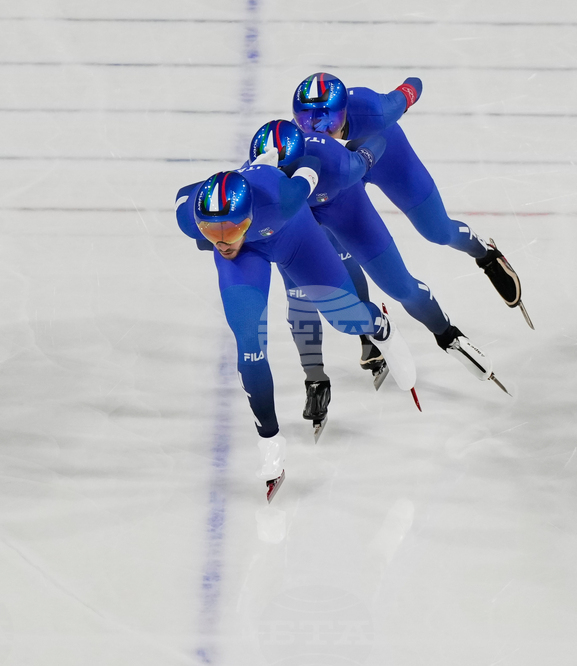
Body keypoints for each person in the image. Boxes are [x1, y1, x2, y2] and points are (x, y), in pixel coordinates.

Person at [174, 160, 417, 502]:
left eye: (230, 230)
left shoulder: (280, 198)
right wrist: (225, 233)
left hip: (291, 233)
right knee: (249, 345)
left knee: (345, 319)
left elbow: (312, 167)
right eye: (212, 233)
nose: (222, 242)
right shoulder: (192, 219)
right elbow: (183, 199)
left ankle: (380, 327)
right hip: (250, 254)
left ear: (248, 217)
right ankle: (270, 442)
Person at [249, 120, 509, 436]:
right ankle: (316, 377)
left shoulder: (335, 162)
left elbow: (377, 142)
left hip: (342, 204)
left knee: (399, 285)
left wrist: (365, 150)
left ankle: (448, 335)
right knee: (300, 297)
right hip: (299, 225)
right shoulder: (254, 185)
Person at [291, 72, 532, 329]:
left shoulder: (375, 110)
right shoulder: (296, 143)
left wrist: (405, 94)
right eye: (307, 121)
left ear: (346, 112)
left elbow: (414, 84)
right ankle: (368, 333)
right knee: (332, 236)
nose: (319, 130)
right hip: (345, 176)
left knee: (438, 232)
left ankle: (485, 253)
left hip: (387, 156)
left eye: (330, 120)